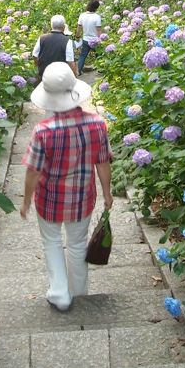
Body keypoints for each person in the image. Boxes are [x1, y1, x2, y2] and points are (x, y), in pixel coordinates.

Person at [20, 62, 113, 311]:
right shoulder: (97, 124)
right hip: (82, 198)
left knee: (51, 241)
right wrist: (107, 193)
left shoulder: (43, 131)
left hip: (49, 199)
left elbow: (33, 170)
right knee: (77, 244)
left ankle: (60, 294)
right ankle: (79, 292)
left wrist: (26, 200)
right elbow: (103, 162)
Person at [32, 14, 76, 80]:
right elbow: (70, 62)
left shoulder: (42, 38)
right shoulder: (67, 41)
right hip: (60, 75)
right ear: (63, 27)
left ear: (51, 25)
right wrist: (74, 78)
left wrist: (37, 65)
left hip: (44, 73)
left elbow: (35, 55)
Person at [75, 0, 102, 74]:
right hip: (95, 40)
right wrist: (101, 39)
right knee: (99, 55)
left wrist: (77, 36)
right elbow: (99, 30)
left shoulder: (82, 15)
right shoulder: (97, 17)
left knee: (83, 56)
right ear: (96, 8)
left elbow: (79, 27)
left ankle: (78, 71)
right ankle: (100, 70)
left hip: (85, 39)